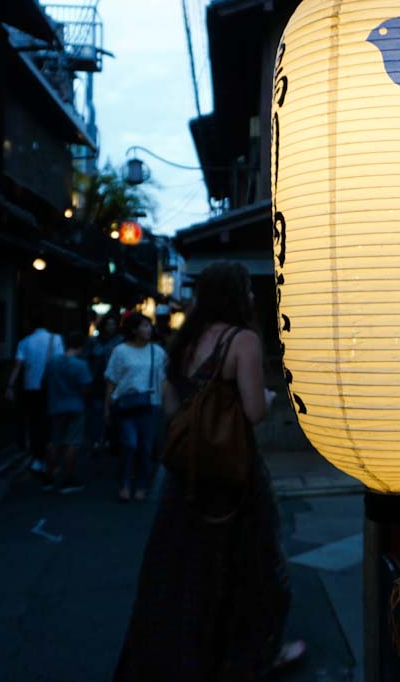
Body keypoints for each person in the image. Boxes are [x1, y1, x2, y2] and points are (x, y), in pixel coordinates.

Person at [112, 260, 304, 681]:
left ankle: (187, 658)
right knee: (251, 564)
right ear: (236, 295)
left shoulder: (185, 341)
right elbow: (254, 412)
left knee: (187, 570)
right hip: (235, 474)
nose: (253, 296)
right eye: (247, 290)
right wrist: (268, 397)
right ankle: (254, 654)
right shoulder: (244, 341)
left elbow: (171, 405)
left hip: (187, 476)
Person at [105, 313, 167, 502]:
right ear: (133, 329)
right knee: (129, 444)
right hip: (126, 404)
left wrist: (166, 404)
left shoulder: (157, 352)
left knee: (146, 448)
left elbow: (164, 380)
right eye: (144, 326)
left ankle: (141, 485)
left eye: (149, 326)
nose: (148, 329)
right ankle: (124, 483)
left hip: (151, 405)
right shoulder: (120, 351)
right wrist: (106, 408)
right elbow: (111, 380)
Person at [6, 310, 63, 480]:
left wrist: (9, 385)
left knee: (34, 423)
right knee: (49, 423)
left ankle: (37, 459)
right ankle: (49, 460)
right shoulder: (56, 339)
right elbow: (59, 363)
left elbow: (18, 365)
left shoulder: (25, 342)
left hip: (31, 387)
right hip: (51, 388)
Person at [43, 330, 92, 493]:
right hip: (75, 405)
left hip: (55, 405)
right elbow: (85, 387)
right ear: (81, 347)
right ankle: (67, 479)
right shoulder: (81, 365)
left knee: (54, 442)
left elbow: (45, 382)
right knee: (72, 442)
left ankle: (48, 478)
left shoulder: (53, 362)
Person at [83, 313, 123, 455]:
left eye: (113, 324)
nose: (110, 327)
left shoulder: (120, 341)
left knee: (114, 411)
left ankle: (110, 439)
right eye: (108, 324)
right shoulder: (94, 341)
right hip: (97, 381)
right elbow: (86, 360)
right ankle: (97, 439)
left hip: (115, 382)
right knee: (97, 412)